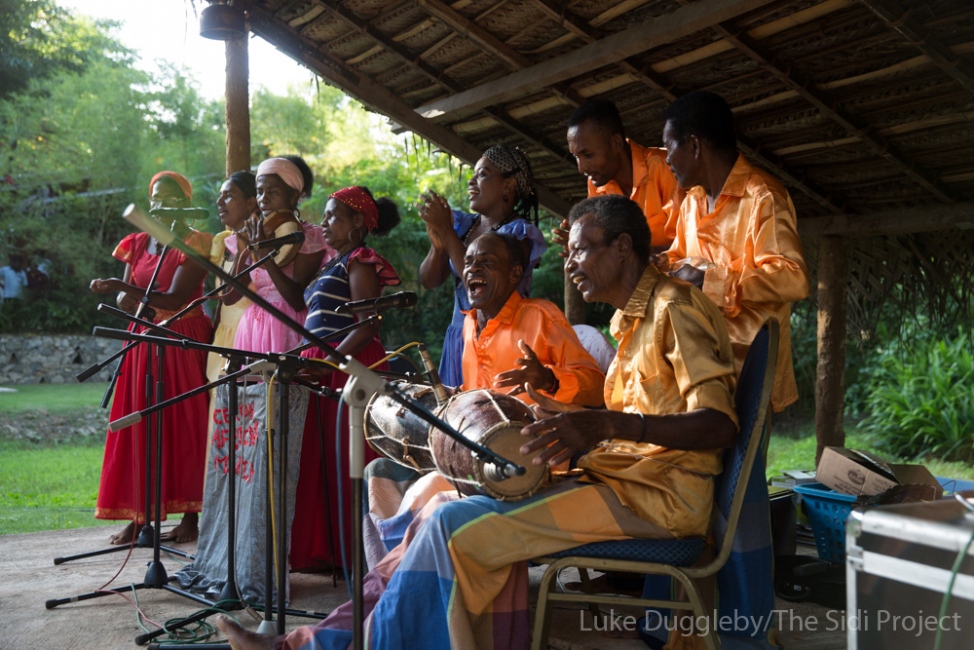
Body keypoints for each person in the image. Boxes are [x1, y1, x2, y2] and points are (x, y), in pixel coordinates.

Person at [214, 194, 739, 650]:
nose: (571, 262)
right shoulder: (632, 319)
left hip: (653, 501)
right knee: (438, 507)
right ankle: (309, 643)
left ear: (622, 247)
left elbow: (718, 424)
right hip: (615, 480)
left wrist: (602, 426)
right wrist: (563, 417)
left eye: (582, 249)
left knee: (447, 524)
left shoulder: (676, 309)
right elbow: (639, 411)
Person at [661, 90, 810, 413]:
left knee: (743, 464)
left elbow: (794, 278)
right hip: (701, 366)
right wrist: (655, 265)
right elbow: (678, 259)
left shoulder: (763, 197)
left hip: (748, 371)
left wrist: (712, 282)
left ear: (695, 146)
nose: (667, 159)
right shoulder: (692, 203)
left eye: (669, 147)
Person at [89, 171, 213, 545]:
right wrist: (121, 297)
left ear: (186, 202)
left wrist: (123, 289)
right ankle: (139, 517)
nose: (163, 204)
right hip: (143, 338)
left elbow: (175, 299)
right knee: (138, 424)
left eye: (173, 198)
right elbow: (130, 296)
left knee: (185, 422)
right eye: (157, 197)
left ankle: (192, 517)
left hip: (182, 337)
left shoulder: (197, 242)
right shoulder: (138, 242)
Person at [290, 185, 402, 571]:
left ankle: (359, 552)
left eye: (334, 215)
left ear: (358, 223)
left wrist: (332, 361)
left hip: (351, 367)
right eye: (325, 215)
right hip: (325, 365)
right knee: (322, 460)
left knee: (348, 458)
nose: (324, 222)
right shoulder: (331, 262)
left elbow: (368, 324)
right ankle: (328, 550)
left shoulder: (360, 261)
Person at [419, 144, 547, 388]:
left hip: (502, 338)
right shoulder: (463, 227)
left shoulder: (519, 234)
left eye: (483, 174)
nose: (471, 181)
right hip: (460, 337)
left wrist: (446, 232)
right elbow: (429, 281)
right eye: (473, 174)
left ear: (507, 185)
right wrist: (438, 246)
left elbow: (477, 279)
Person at [459, 232, 604, 408]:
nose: (473, 268)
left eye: (487, 261)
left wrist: (548, 380)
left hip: (533, 433)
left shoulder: (542, 317)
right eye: (468, 262)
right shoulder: (468, 323)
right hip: (480, 433)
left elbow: (597, 389)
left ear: (514, 274)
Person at [223, 157, 329, 355]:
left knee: (281, 385)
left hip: (288, 326)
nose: (263, 198)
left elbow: (297, 301)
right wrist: (243, 247)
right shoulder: (255, 234)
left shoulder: (309, 237)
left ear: (293, 196)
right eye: (260, 192)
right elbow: (230, 297)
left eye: (272, 192)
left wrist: (264, 255)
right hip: (252, 327)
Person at [555, 99, 684, 254]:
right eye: (576, 156)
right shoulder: (596, 184)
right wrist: (585, 246)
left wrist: (628, 256)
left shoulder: (664, 167)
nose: (582, 167)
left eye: (588, 155)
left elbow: (690, 245)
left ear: (616, 143)